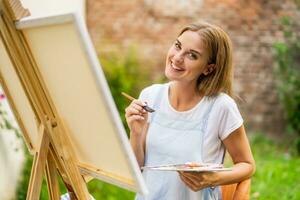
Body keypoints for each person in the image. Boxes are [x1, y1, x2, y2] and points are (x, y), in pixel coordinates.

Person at [125, 22, 255, 200]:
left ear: (209, 68)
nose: (177, 57)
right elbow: (136, 173)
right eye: (177, 46)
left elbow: (247, 165)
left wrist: (213, 179)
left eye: (192, 55)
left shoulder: (221, 107)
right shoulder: (150, 95)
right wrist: (136, 132)